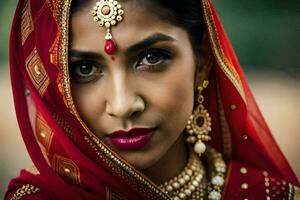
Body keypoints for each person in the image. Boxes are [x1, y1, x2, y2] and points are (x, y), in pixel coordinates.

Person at [5, 0, 300, 199]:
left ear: (203, 62)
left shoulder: (267, 194)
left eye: (152, 57)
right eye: (84, 69)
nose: (122, 105)